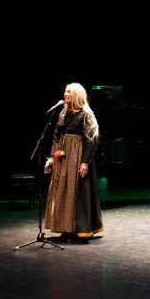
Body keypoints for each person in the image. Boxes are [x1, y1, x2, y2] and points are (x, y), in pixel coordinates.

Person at [44, 82, 103, 243]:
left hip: (77, 155)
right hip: (63, 156)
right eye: (65, 92)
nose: (65, 94)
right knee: (63, 191)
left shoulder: (85, 114)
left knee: (76, 192)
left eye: (69, 92)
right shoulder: (63, 113)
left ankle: (80, 229)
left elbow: (91, 140)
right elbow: (56, 137)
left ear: (76, 94)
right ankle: (65, 228)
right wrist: (51, 158)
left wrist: (85, 162)